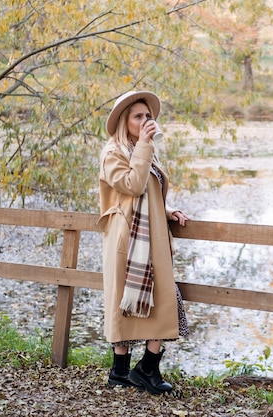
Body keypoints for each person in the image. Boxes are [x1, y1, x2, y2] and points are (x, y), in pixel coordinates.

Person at [98, 90, 190, 395]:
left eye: (148, 116)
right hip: (127, 240)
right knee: (124, 303)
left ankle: (146, 369)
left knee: (165, 298)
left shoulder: (142, 150)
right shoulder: (114, 153)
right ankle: (121, 373)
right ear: (126, 122)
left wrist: (167, 210)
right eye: (138, 116)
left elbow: (147, 196)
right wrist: (146, 147)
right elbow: (132, 186)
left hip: (152, 239)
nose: (145, 121)